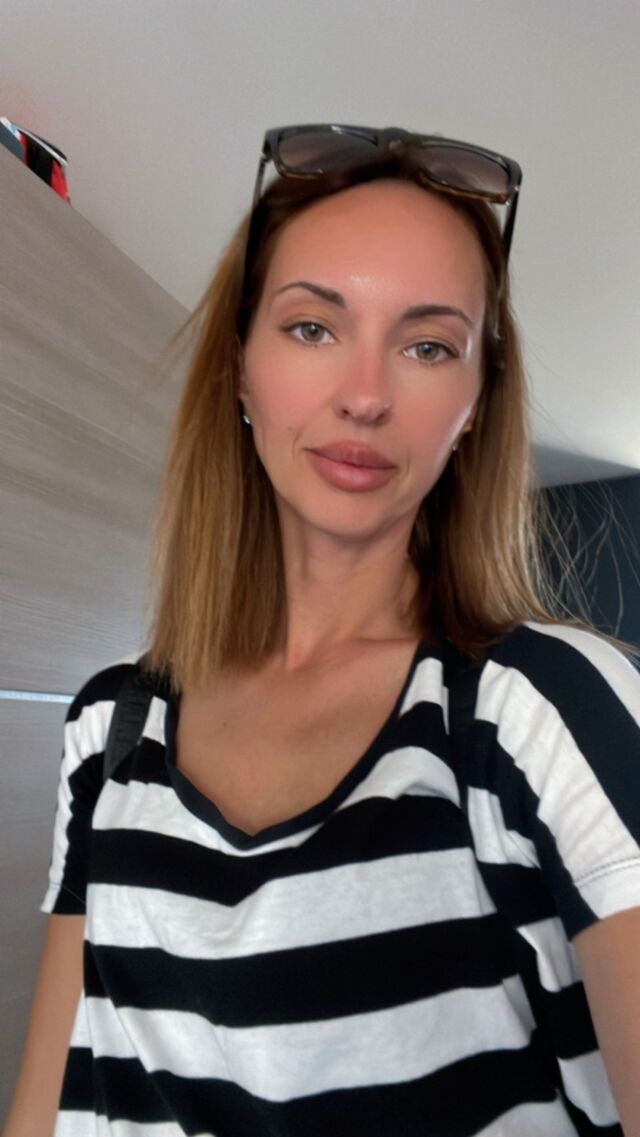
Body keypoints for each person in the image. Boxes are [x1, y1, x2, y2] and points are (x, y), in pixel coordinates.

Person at [4, 124, 640, 1137]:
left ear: (475, 404)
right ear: (239, 369)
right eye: (311, 328)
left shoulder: (542, 707)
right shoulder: (110, 726)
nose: (365, 396)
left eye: (428, 346)